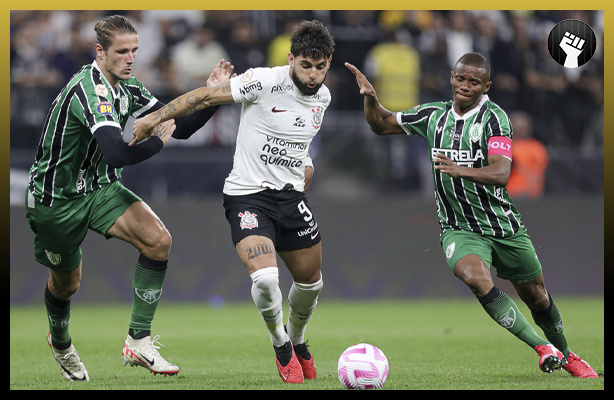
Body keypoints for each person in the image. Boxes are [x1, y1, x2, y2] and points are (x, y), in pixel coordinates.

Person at [345, 52, 598, 378]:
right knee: (477, 279)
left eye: (474, 82)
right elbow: (381, 124)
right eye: (460, 79)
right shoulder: (433, 115)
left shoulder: (495, 119)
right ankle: (541, 347)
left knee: (537, 297)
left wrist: (458, 169)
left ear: (486, 85)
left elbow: (501, 172)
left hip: (501, 224)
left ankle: (566, 354)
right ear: (452, 77)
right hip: (459, 228)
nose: (465, 86)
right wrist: (371, 99)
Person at [25, 14, 232, 381]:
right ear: (100, 52)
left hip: (100, 188)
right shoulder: (89, 90)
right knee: (67, 284)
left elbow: (179, 127)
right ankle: (60, 342)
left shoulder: (128, 86)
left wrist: (212, 95)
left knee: (158, 241)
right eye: (122, 51)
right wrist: (157, 141)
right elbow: (118, 153)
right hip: (57, 200)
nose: (130, 58)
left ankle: (138, 341)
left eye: (134, 50)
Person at [130, 20, 335, 384]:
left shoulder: (323, 97)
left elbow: (299, 146)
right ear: (291, 59)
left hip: (291, 199)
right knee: (267, 280)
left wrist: (305, 167)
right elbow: (207, 97)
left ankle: (298, 337)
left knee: (311, 285)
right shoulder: (264, 80)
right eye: (306, 65)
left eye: (321, 67)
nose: (313, 75)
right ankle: (280, 343)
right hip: (248, 198)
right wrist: (154, 118)